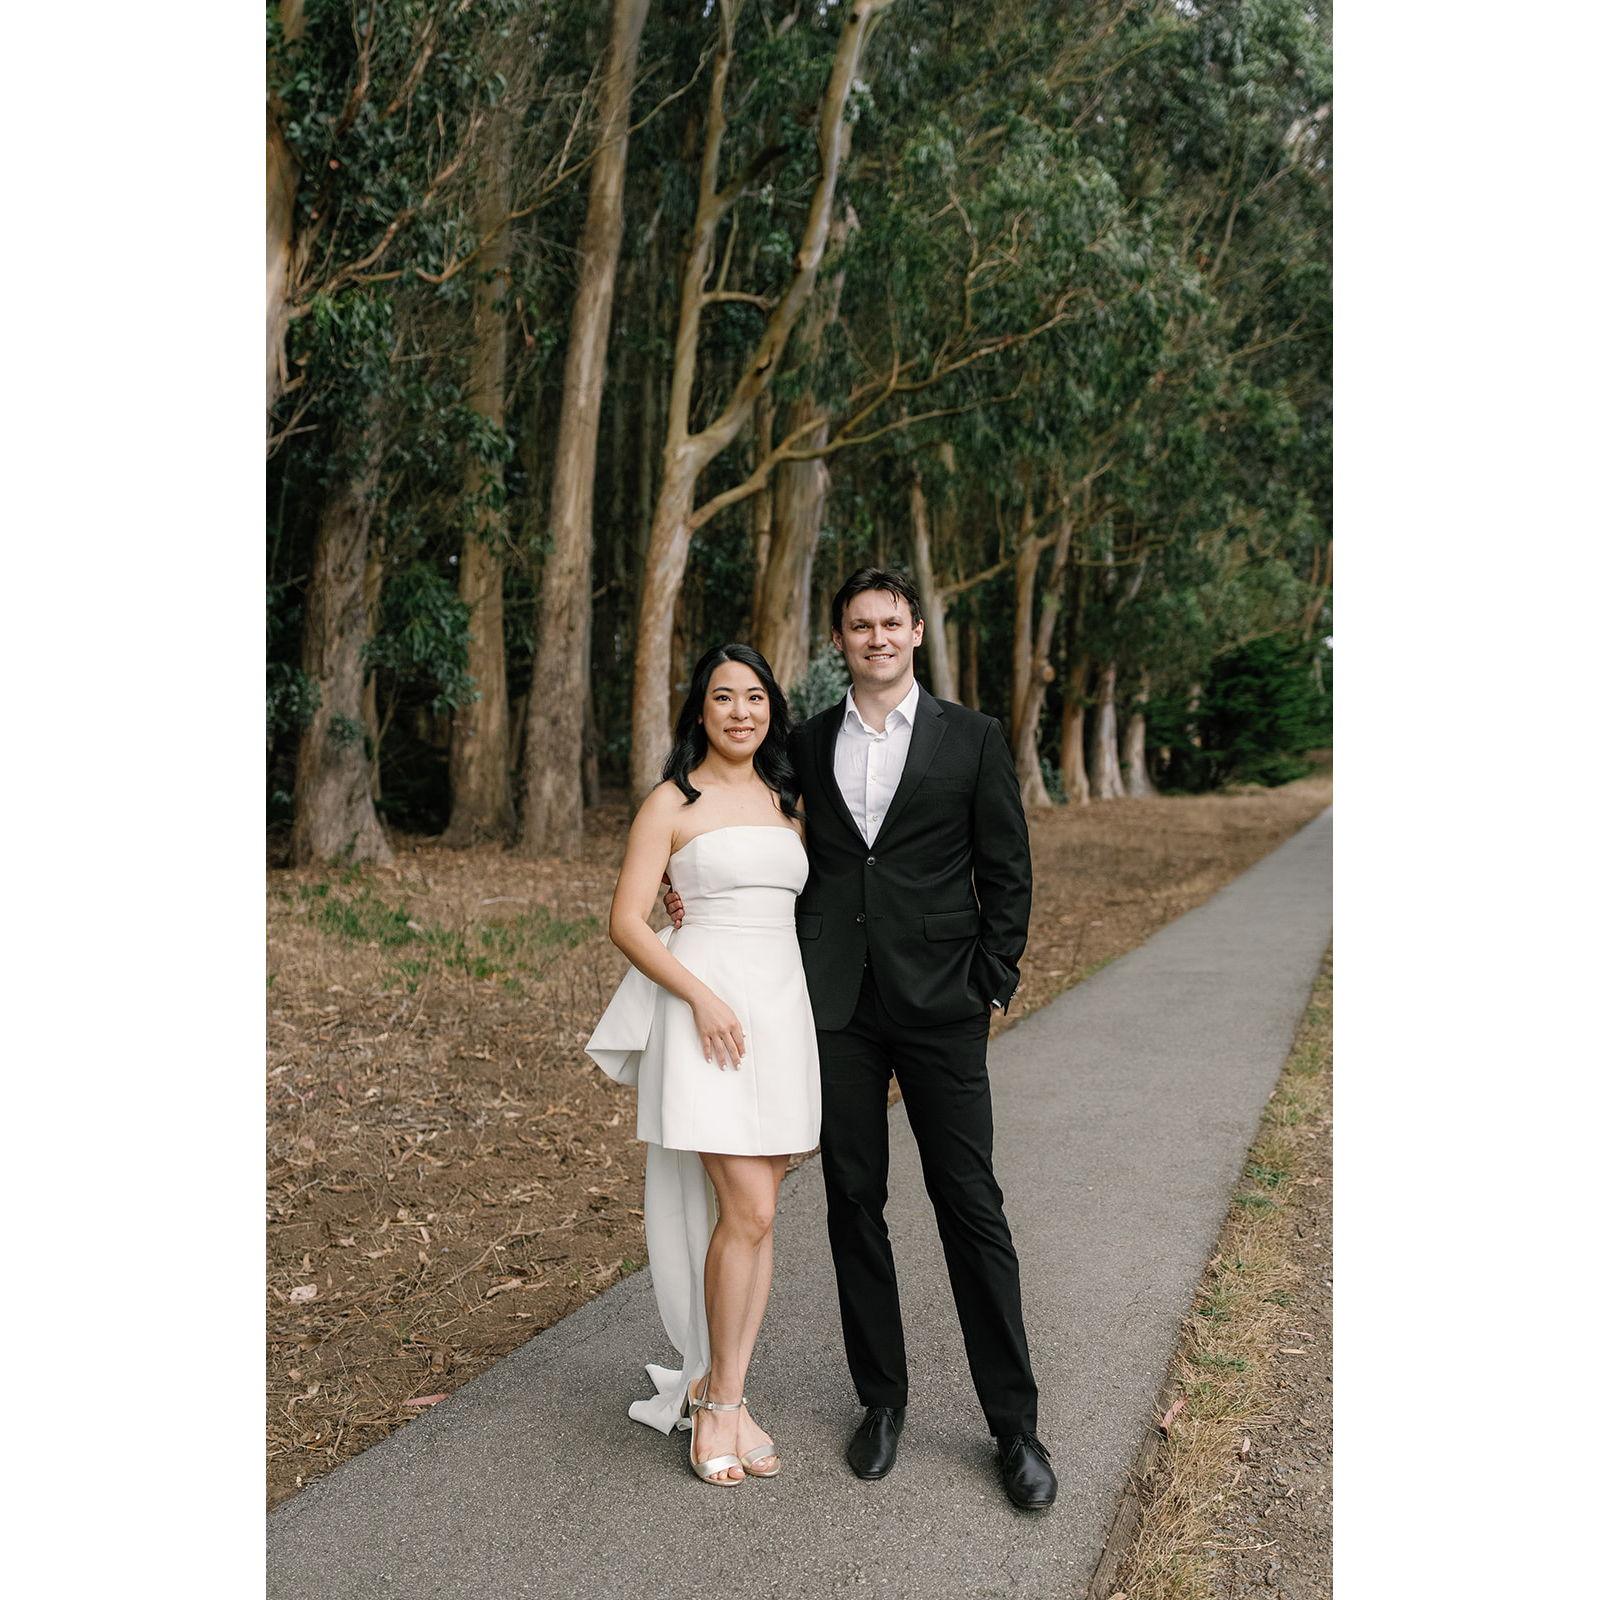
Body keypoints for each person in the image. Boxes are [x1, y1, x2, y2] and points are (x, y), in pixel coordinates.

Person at [665, 568, 1057, 1511]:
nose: (876, 637)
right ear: (839, 640)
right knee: (855, 1206)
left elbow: (1009, 870)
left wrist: (989, 981)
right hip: (833, 1010)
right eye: (858, 625)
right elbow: (731, 818)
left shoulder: (973, 739)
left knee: (972, 1207)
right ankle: (880, 1403)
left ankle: (1014, 1427)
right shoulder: (801, 745)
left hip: (941, 1008)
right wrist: (683, 892)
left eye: (891, 622)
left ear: (916, 632)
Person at [585, 643, 820, 1486]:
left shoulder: (791, 801)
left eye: (755, 698)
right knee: (747, 1208)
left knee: (759, 1218)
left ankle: (731, 1393)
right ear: (699, 711)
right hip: (707, 1020)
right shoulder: (671, 803)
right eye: (723, 698)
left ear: (772, 711)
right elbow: (629, 920)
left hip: (782, 1017)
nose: (740, 712)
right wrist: (701, 996)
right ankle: (716, 1404)